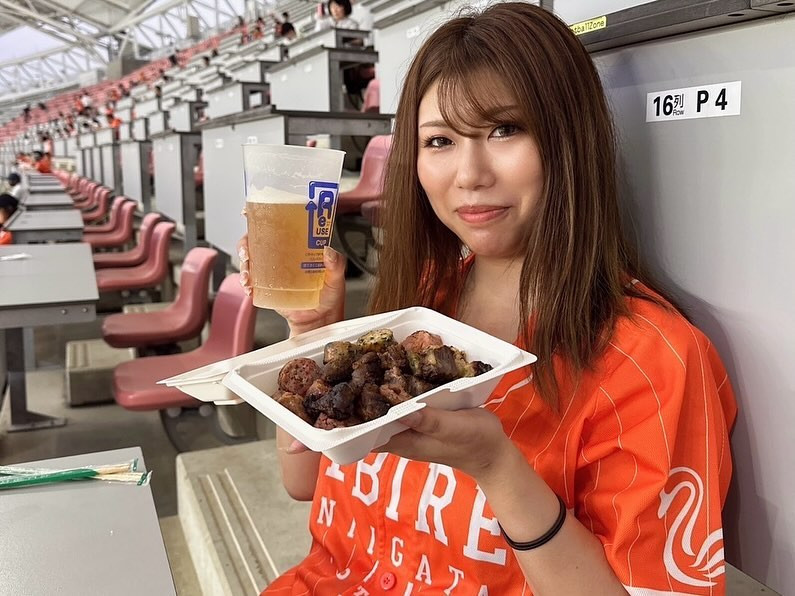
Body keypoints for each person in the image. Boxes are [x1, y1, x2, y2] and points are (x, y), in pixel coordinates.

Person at [240, 4, 736, 594]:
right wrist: (311, 331)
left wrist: (498, 468)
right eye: (439, 140)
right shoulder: (421, 307)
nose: (470, 174)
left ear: (570, 140)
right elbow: (305, 483)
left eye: (505, 130)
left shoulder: (653, 360)